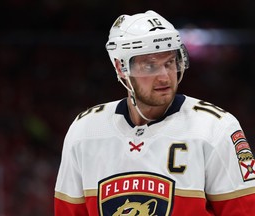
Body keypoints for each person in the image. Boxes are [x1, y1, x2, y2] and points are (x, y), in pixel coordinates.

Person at [54, 10, 255, 215]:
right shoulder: (85, 130)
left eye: (169, 63)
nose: (165, 77)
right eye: (150, 66)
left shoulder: (216, 127)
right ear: (121, 67)